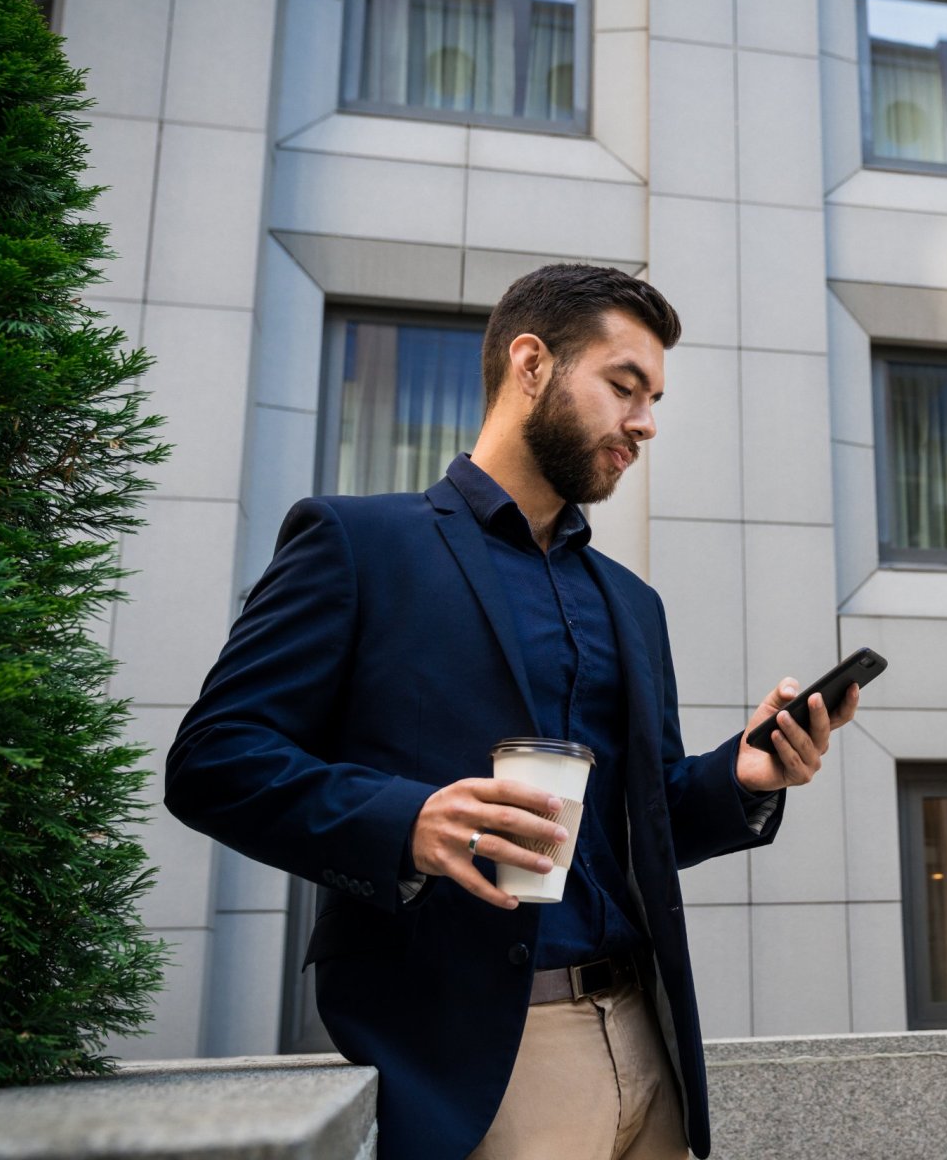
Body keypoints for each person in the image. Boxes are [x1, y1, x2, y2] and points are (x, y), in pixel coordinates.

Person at [165, 263, 859, 1160]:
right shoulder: (357, 544)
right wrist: (408, 820)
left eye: (654, 398)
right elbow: (214, 760)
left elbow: (638, 823)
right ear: (530, 363)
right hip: (482, 1058)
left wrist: (745, 775)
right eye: (624, 387)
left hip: (650, 1042)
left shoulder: (632, 602)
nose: (645, 422)